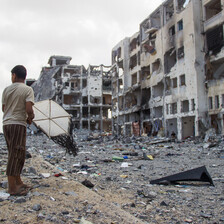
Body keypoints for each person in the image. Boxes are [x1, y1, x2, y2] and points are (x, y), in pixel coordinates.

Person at [2, 65, 35, 196]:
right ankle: (12, 187)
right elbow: (29, 109)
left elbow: (4, 108)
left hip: (7, 124)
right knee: (16, 154)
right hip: (18, 124)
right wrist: (30, 117)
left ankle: (18, 181)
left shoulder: (6, 90)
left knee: (16, 152)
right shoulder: (27, 90)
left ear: (14, 75)